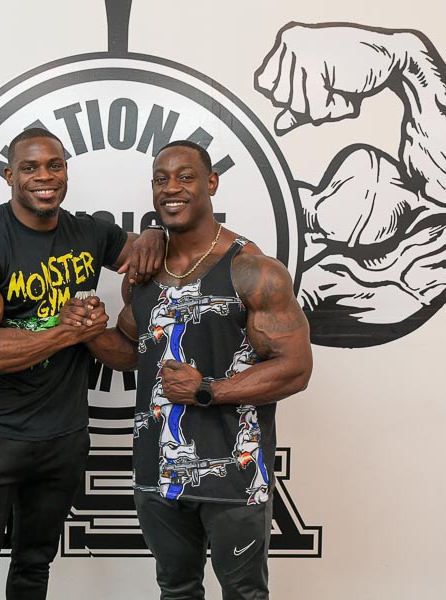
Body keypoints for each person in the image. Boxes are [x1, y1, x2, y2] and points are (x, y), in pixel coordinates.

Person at [63, 140, 313, 599]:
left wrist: (207, 390)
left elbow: (296, 368)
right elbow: (130, 353)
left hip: (234, 473)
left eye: (185, 177)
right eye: (161, 179)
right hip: (158, 470)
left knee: (245, 593)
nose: (171, 188)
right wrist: (89, 330)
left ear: (211, 183)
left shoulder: (252, 270)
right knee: (176, 590)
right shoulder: (144, 272)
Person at [0, 127, 163, 599]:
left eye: (54, 165)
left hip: (62, 436)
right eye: (30, 167)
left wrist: (154, 233)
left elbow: (151, 259)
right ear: (9, 176)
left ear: (65, 171)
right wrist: (67, 331)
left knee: (34, 567)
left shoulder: (89, 233)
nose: (44, 176)